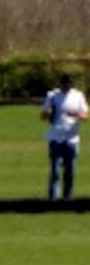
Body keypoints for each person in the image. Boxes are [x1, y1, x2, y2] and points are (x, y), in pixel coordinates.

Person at [43, 72, 89, 201]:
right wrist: (48, 113)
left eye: (69, 84)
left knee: (70, 172)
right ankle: (53, 198)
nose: (67, 87)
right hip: (55, 138)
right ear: (60, 84)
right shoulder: (52, 95)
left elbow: (85, 115)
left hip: (72, 139)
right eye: (65, 84)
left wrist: (76, 115)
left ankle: (67, 198)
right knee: (55, 172)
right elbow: (44, 115)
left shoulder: (78, 96)